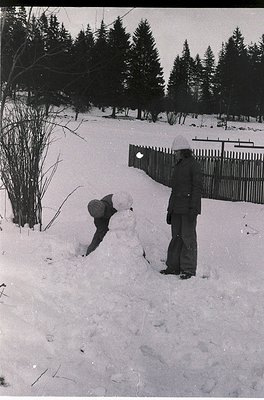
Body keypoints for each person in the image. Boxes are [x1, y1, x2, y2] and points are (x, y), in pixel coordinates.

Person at [160, 135, 203, 279]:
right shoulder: (178, 166)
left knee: (188, 238)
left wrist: (194, 209)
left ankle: (188, 269)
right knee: (176, 238)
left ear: (183, 151)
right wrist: (169, 210)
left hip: (188, 209)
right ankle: (173, 267)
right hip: (177, 209)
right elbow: (174, 190)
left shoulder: (193, 165)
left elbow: (197, 188)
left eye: (176, 152)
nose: (174, 154)